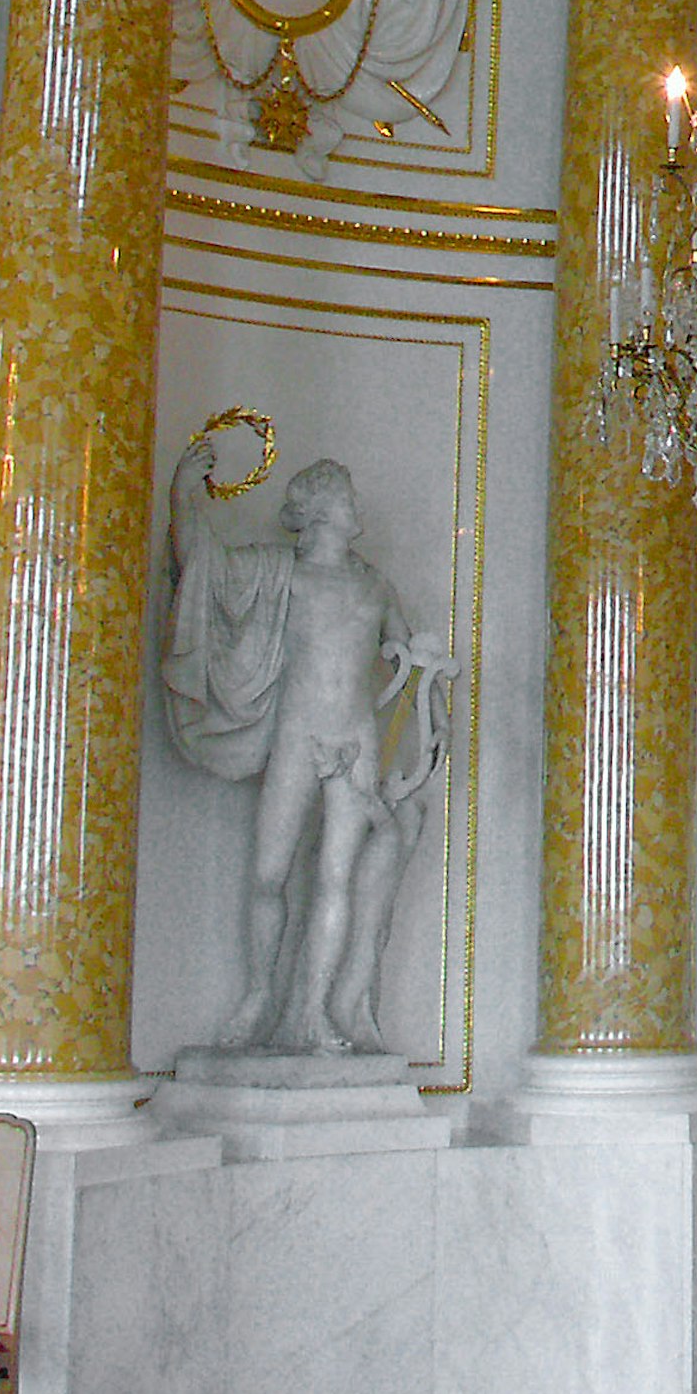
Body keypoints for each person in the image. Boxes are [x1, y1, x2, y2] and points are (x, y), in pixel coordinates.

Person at [160, 437, 459, 1054]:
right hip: (296, 737)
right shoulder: (280, 572)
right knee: (269, 874)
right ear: (322, 511)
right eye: (347, 498)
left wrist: (436, 714)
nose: (357, 507)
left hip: (353, 740)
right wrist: (183, 495)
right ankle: (259, 994)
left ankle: (317, 1010)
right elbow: (204, 565)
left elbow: (411, 661)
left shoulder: (375, 586)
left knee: (336, 878)